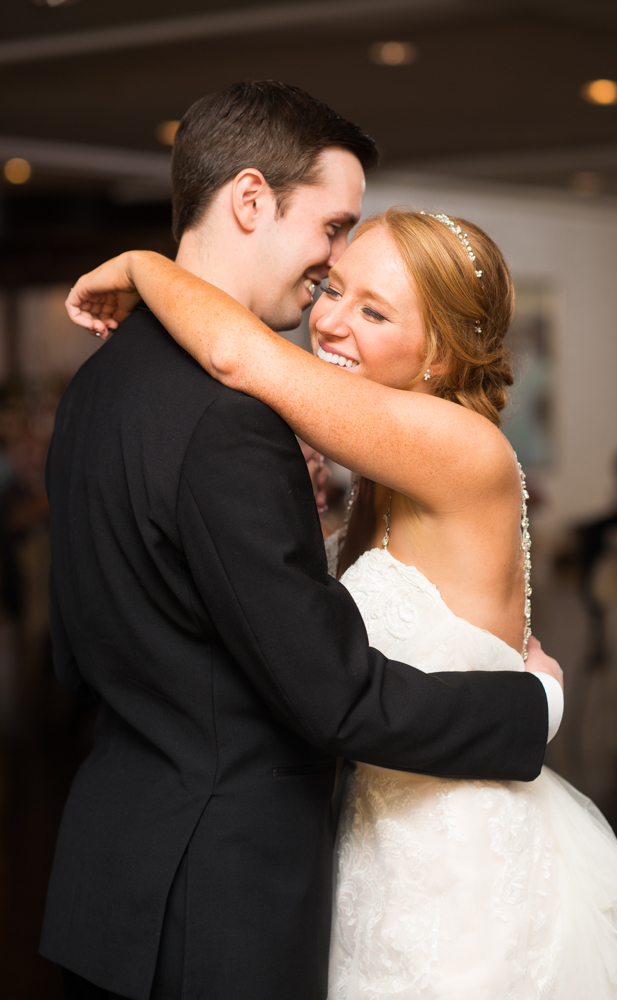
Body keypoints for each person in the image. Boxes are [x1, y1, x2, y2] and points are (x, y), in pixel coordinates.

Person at [43, 83, 562, 1000]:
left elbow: (79, 658)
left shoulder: (96, 387)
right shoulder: (230, 420)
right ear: (250, 200)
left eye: (371, 303)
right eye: (332, 230)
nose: (328, 277)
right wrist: (534, 708)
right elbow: (330, 697)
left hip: (116, 872)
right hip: (217, 893)